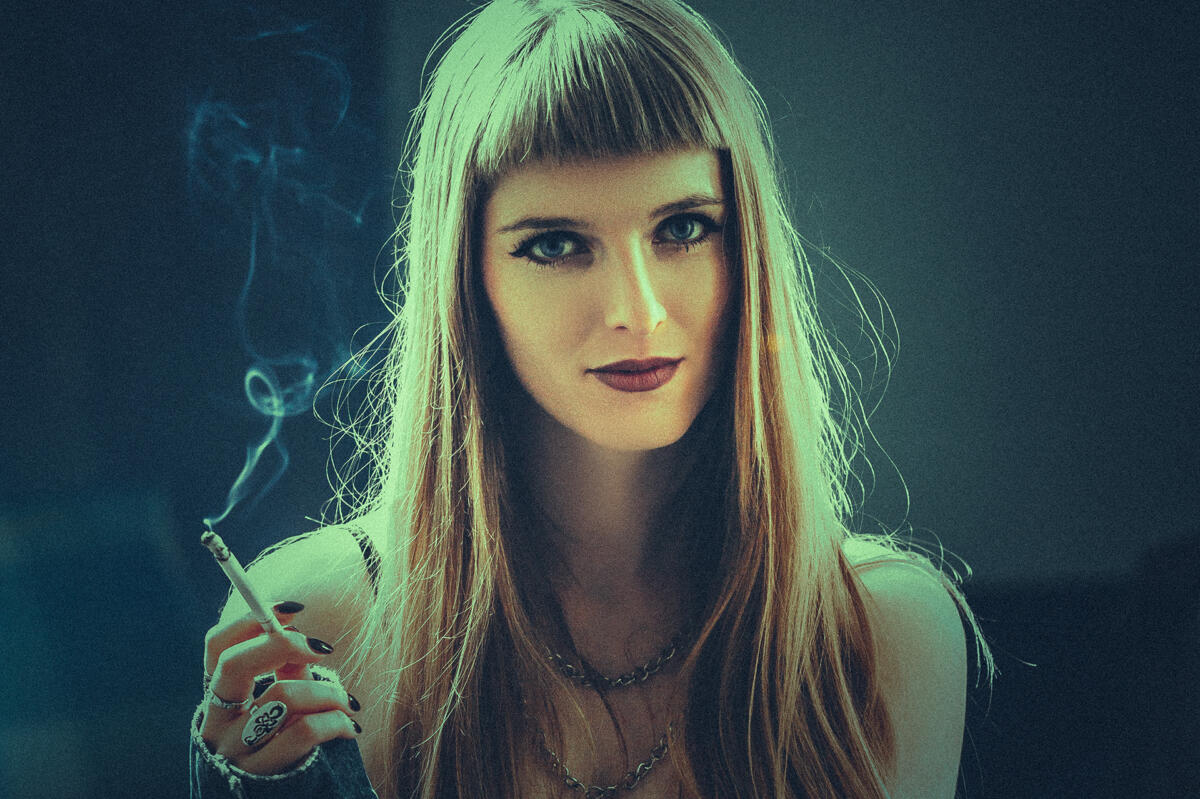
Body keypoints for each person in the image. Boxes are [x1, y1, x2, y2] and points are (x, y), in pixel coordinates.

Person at [190, 0, 996, 797]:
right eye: (556, 243)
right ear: (468, 278)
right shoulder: (322, 621)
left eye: (683, 228)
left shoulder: (883, 635)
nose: (637, 310)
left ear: (746, 246)